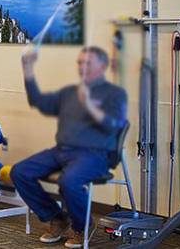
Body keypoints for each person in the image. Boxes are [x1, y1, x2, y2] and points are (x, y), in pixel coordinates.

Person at [10, 46, 127, 248]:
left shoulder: (115, 94)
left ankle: (82, 226)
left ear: (102, 66)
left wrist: (90, 106)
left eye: (88, 63)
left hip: (94, 154)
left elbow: (112, 125)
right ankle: (57, 217)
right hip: (62, 151)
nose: (82, 67)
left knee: (69, 181)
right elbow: (39, 101)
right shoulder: (70, 92)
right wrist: (28, 71)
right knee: (19, 172)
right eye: (80, 63)